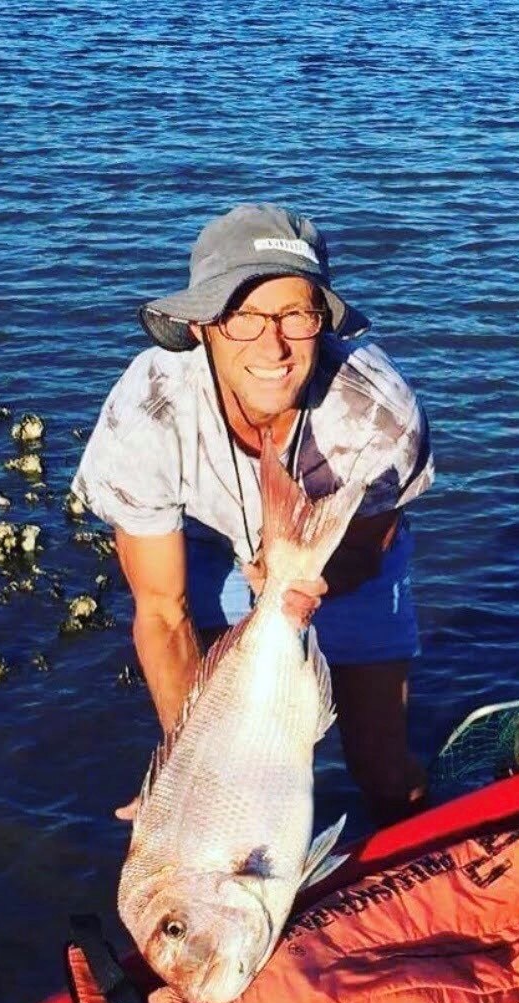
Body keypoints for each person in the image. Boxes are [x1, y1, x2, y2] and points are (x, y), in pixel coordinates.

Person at [73, 203, 434, 825]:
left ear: (322, 321)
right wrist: (191, 768)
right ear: (202, 327)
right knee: (217, 764)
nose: (273, 344)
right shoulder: (146, 415)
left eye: (296, 314)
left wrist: (291, 592)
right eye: (243, 317)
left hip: (338, 556)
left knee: (384, 774)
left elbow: (367, 546)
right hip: (210, 546)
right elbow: (162, 611)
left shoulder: (380, 414)